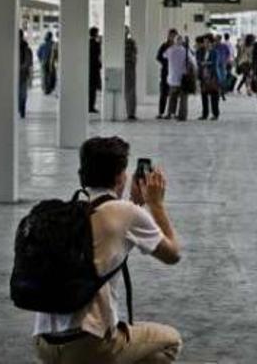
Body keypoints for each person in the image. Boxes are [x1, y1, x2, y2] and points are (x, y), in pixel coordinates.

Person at [32, 136, 182, 364]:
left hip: (44, 343)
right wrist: (156, 205)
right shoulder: (126, 213)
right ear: (120, 176)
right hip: (89, 345)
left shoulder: (69, 213)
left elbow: (110, 243)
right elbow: (173, 254)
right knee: (170, 341)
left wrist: (134, 207)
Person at [164, 35, 195, 121]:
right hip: (183, 78)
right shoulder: (185, 51)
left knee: (172, 97)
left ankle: (170, 113)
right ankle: (182, 115)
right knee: (183, 98)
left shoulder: (170, 50)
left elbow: (164, 56)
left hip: (172, 78)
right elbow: (192, 61)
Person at [196, 34, 221, 121]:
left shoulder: (215, 52)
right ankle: (204, 114)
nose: (206, 44)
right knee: (204, 95)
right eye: (204, 42)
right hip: (203, 76)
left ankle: (215, 114)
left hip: (213, 76)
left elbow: (215, 63)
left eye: (208, 42)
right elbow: (198, 61)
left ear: (211, 43)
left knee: (214, 96)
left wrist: (205, 63)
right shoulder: (200, 51)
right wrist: (204, 63)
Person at [156, 30, 177, 119]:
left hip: (175, 73)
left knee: (174, 93)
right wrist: (167, 62)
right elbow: (158, 57)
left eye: (173, 36)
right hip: (165, 72)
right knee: (163, 92)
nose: (172, 37)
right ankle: (161, 112)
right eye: (170, 35)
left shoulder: (178, 47)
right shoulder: (164, 46)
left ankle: (171, 112)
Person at [19, 30, 33, 119]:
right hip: (22, 74)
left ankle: (22, 108)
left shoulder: (26, 48)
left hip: (22, 75)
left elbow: (28, 62)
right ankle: (21, 107)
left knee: (22, 93)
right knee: (22, 93)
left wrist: (19, 68)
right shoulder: (26, 48)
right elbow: (29, 63)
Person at [125, 27, 138, 121]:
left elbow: (135, 53)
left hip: (129, 67)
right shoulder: (130, 42)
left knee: (130, 91)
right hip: (129, 67)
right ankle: (131, 113)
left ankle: (131, 113)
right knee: (130, 91)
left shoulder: (130, 42)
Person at [89, 27, 103, 113]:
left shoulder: (87, 43)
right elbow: (98, 55)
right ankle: (91, 106)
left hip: (89, 68)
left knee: (90, 88)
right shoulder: (96, 44)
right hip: (94, 68)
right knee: (93, 89)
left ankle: (89, 106)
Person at [213, 35, 231, 101]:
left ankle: (222, 94)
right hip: (216, 65)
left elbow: (228, 53)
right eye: (215, 39)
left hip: (223, 64)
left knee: (223, 80)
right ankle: (218, 94)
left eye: (217, 39)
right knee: (218, 79)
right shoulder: (214, 46)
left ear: (220, 39)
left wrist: (226, 60)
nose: (216, 41)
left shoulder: (224, 46)